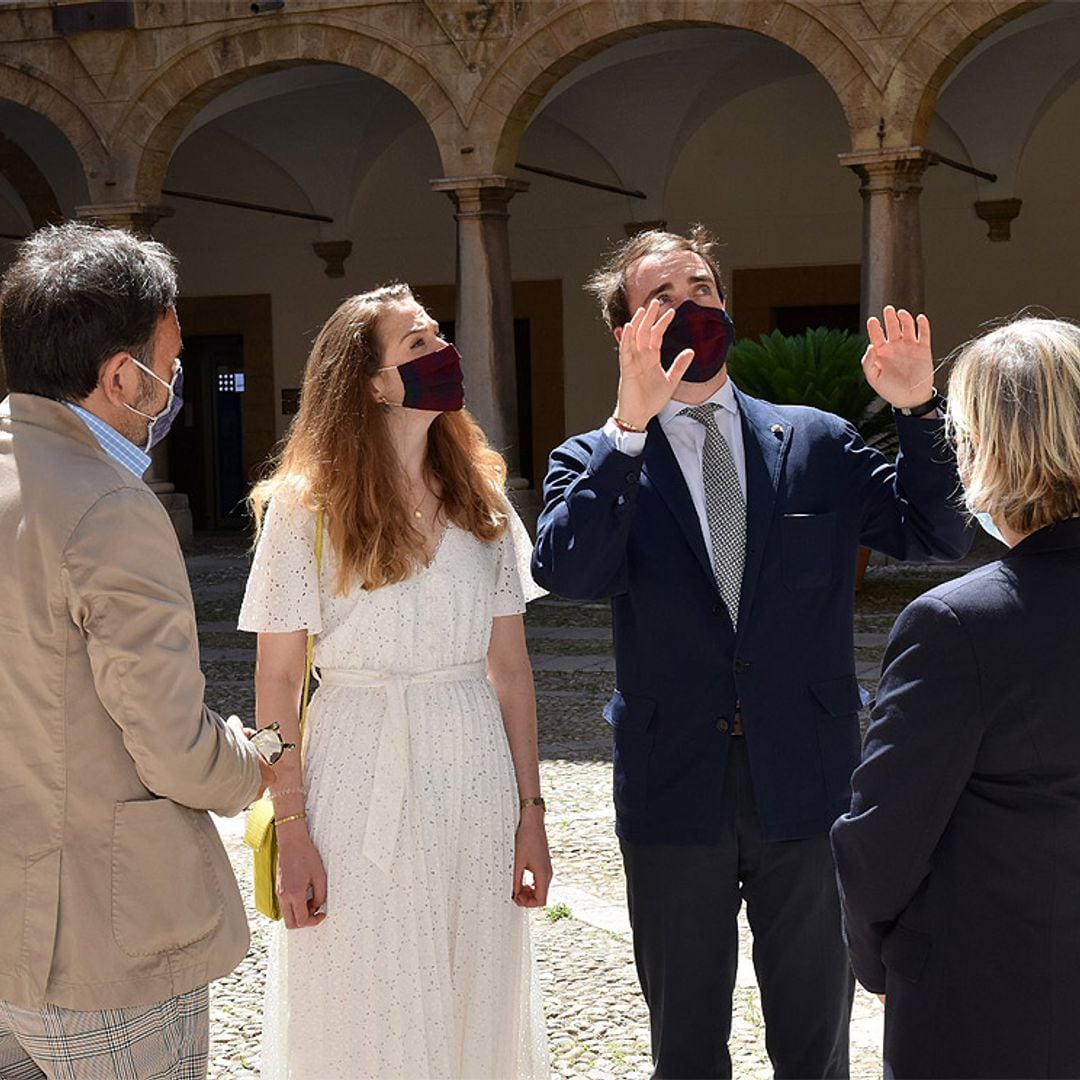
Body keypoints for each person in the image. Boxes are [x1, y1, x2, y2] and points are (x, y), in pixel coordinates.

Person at [530, 227, 972, 1079]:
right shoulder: (592, 458)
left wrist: (919, 411)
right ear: (626, 334)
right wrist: (630, 425)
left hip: (807, 783)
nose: (691, 309)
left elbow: (936, 532)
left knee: (816, 1045)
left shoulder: (815, 441)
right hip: (673, 789)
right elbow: (571, 570)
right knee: (687, 1050)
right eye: (661, 302)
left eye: (701, 288)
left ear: (725, 302)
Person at [238, 282, 551, 1079]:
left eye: (436, 335)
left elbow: (510, 671)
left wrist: (531, 813)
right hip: (353, 775)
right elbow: (275, 682)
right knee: (359, 1002)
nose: (441, 351)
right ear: (371, 381)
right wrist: (293, 822)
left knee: (474, 992)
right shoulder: (302, 508)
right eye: (416, 343)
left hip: (473, 772)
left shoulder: (484, 498)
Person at [0, 222, 269, 1080]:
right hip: (100, 944)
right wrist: (259, 761)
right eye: (171, 362)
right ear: (124, 375)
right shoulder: (108, 505)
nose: (175, 386)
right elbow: (175, 750)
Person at [831, 316, 1080, 1079]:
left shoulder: (957, 624)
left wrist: (882, 964)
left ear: (988, 450)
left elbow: (880, 841)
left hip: (989, 1003)